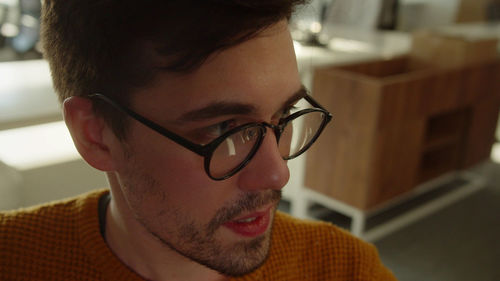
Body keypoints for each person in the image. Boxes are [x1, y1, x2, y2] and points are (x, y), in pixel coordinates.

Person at [0, 0, 397, 280]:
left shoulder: (343, 268)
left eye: (283, 116)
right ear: (97, 134)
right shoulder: (13, 259)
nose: (277, 174)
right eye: (225, 129)